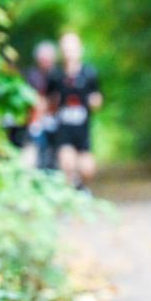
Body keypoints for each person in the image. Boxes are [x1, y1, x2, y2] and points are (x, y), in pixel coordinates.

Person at [48, 32, 103, 189]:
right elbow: (48, 101)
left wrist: (94, 101)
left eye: (72, 48)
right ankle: (71, 194)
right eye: (65, 48)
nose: (69, 52)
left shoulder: (89, 73)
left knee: (87, 170)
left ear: (80, 49)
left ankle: (81, 187)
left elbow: (98, 98)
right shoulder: (56, 75)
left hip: (82, 130)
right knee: (67, 164)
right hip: (63, 129)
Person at [24, 40, 59, 170]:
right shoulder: (31, 76)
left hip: (57, 122)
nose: (45, 61)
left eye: (48, 58)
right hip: (35, 122)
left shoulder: (59, 76)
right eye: (43, 58)